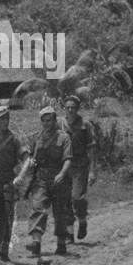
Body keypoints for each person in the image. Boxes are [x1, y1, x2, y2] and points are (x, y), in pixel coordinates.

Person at [14, 105, 72, 265]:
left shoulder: (64, 138)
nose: (47, 123)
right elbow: (30, 159)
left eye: (49, 120)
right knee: (37, 207)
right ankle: (36, 241)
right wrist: (23, 174)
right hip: (40, 179)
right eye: (44, 121)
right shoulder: (37, 139)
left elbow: (68, 159)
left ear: (55, 120)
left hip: (59, 179)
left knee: (60, 211)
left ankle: (61, 241)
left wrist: (61, 174)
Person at [0, 105, 27, 262]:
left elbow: (27, 159)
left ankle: (3, 249)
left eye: (7, 118)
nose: (5, 121)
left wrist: (21, 175)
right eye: (2, 119)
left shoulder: (14, 139)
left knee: (6, 216)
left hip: (8, 182)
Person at [61, 94, 93, 241]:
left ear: (77, 109)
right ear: (64, 108)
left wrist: (93, 170)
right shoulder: (59, 124)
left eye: (73, 108)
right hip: (63, 166)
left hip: (80, 165)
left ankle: (82, 221)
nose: (70, 110)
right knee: (65, 199)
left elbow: (91, 149)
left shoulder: (85, 125)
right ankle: (69, 233)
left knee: (76, 197)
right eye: (67, 107)